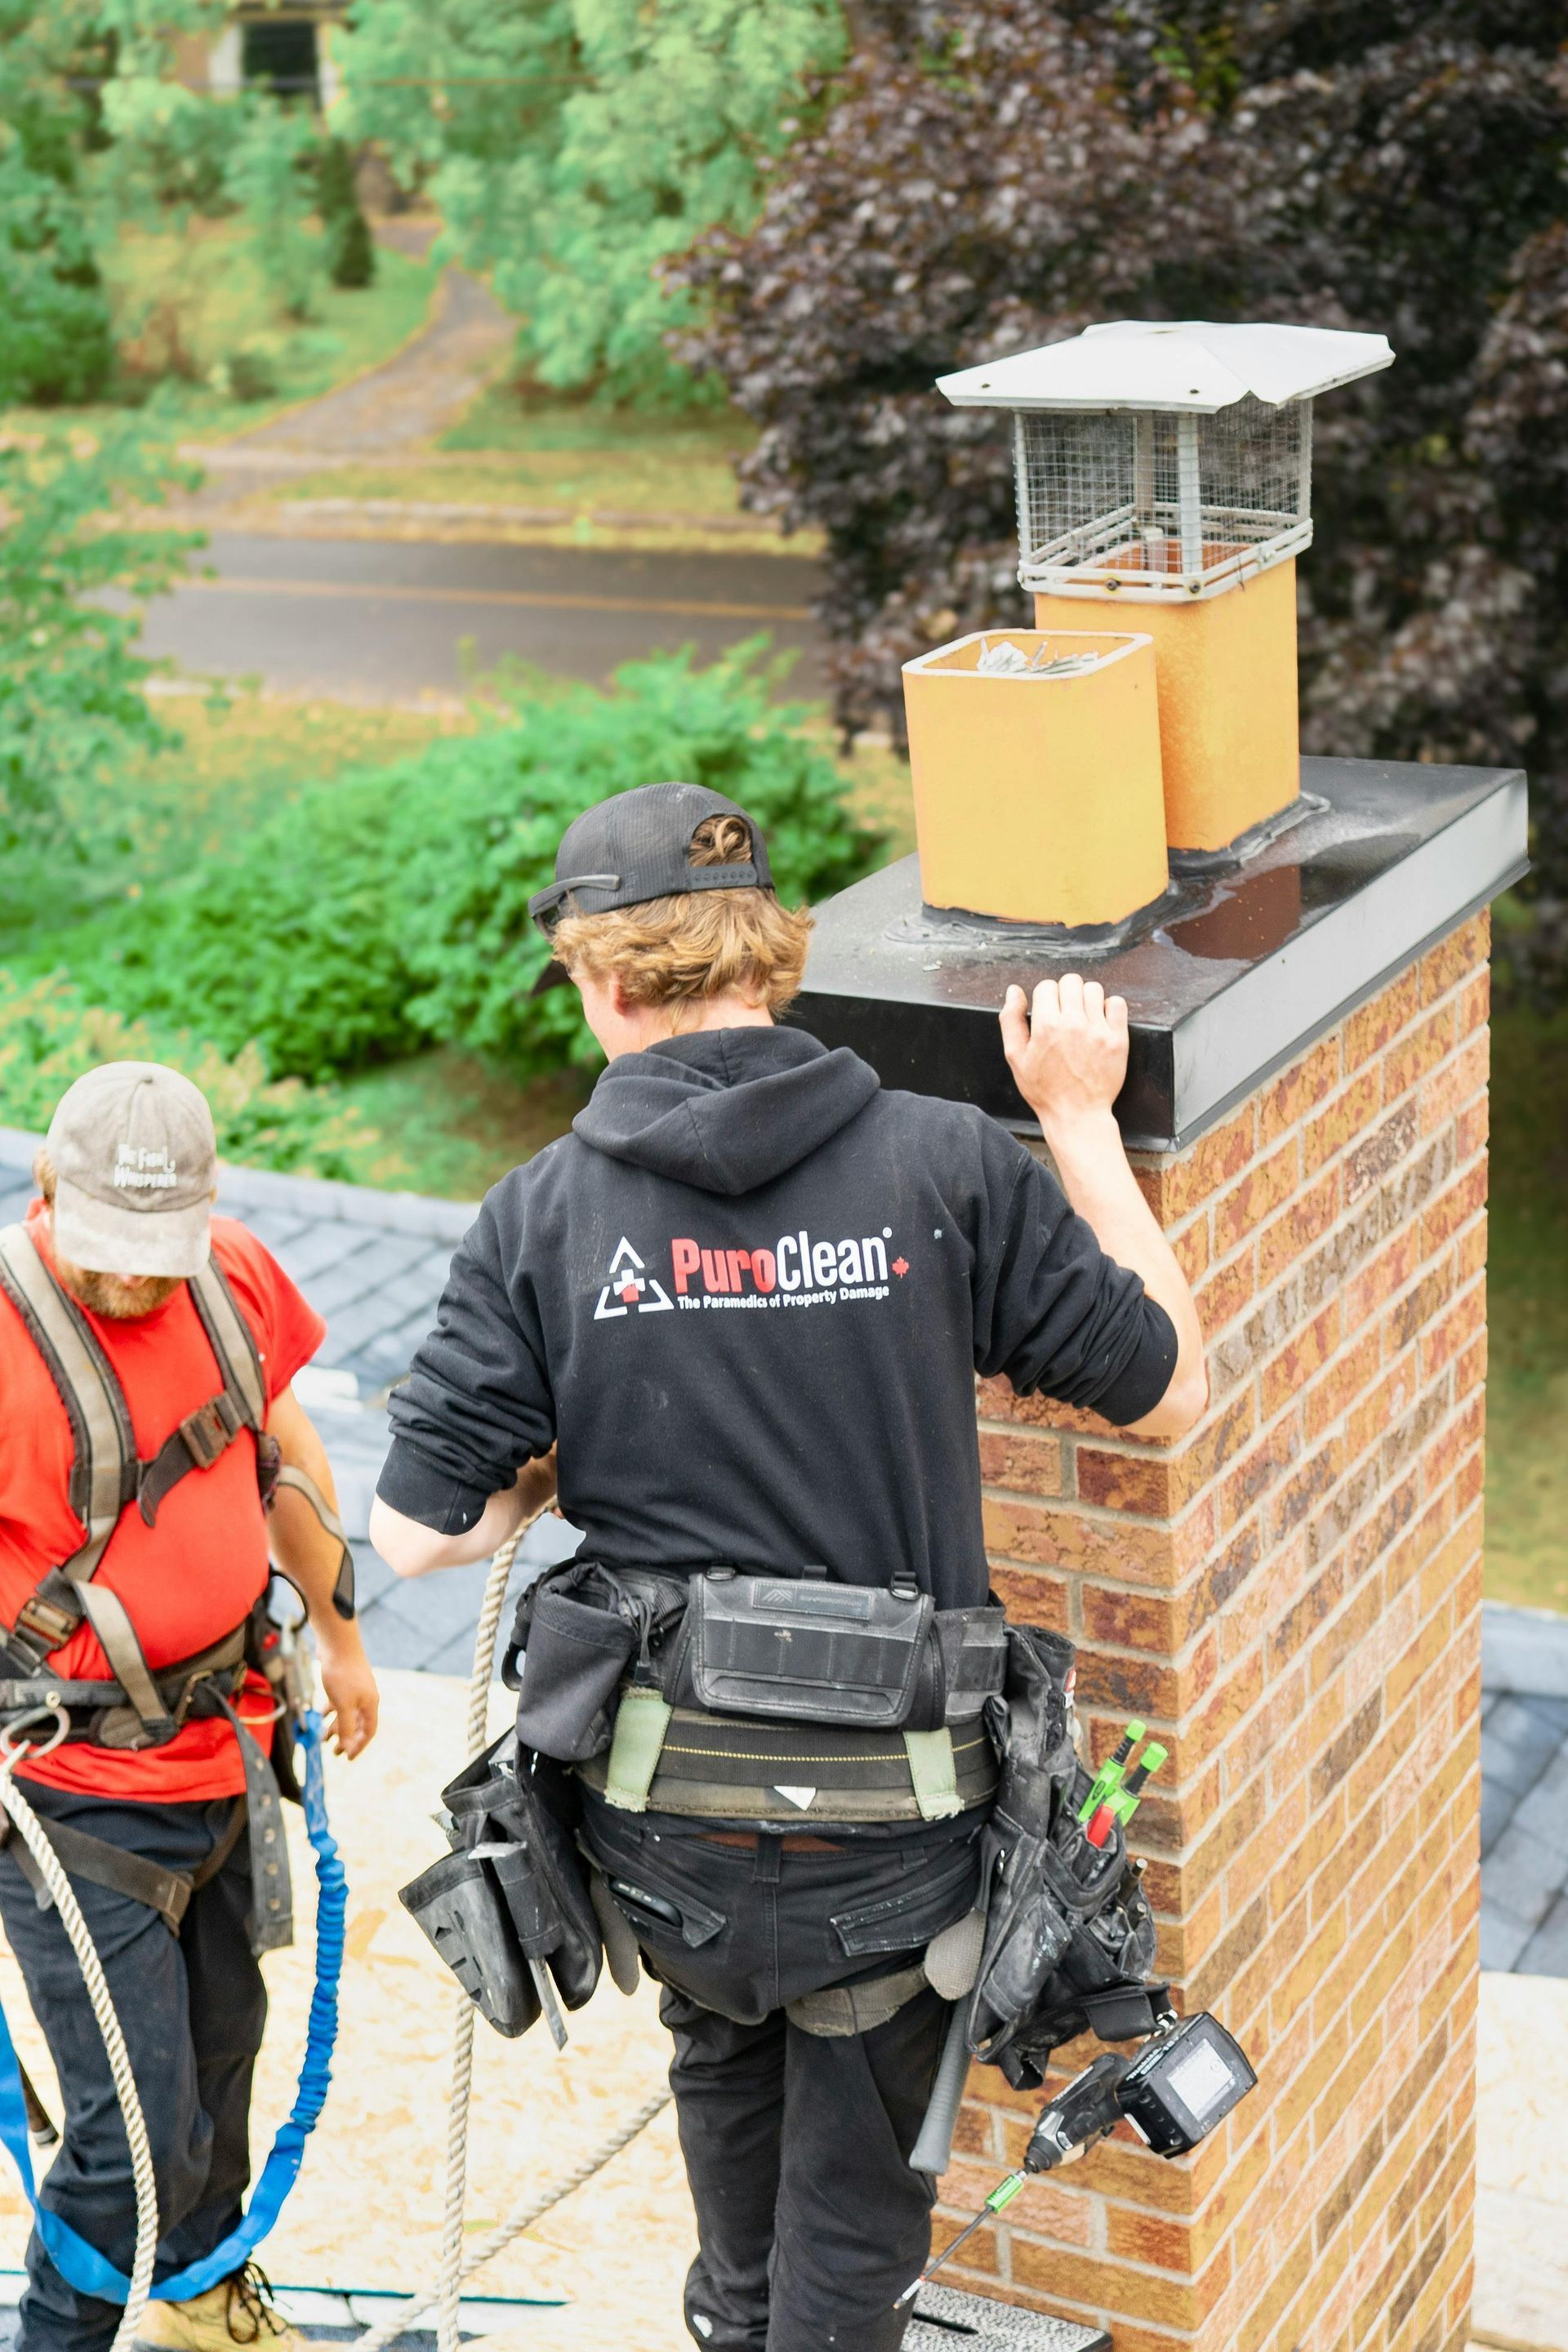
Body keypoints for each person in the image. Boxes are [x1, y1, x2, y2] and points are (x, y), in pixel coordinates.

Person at [368, 782, 1206, 2352]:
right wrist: (1085, 1122)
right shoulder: (944, 1164)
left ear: (602, 978)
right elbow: (1168, 1383)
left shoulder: (543, 1215)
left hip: (669, 1852)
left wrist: (556, 1454)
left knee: (730, 2114)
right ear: (777, 957)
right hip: (892, 1860)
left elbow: (419, 1530)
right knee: (853, 2248)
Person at [0, 1062, 381, 2352]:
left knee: (222, 2067)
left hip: (224, 1753)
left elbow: (286, 1458)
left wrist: (339, 1633)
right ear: (45, 1191)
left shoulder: (233, 1277)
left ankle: (201, 2311)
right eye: (109, 1253)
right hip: (70, 1797)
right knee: (132, 2142)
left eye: (159, 1253)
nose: (137, 1284)